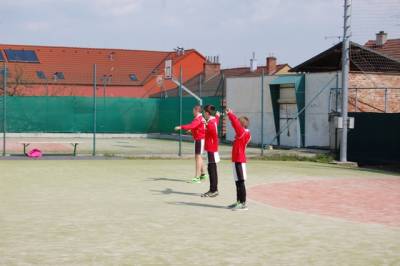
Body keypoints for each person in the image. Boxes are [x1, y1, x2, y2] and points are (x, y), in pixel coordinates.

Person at [226, 108, 251, 211]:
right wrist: (231, 117)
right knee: (237, 182)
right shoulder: (241, 132)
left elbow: (235, 124)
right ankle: (238, 201)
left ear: (241, 125)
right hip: (236, 160)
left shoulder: (242, 133)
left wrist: (230, 114)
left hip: (240, 160)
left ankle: (243, 203)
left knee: (241, 182)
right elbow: (235, 124)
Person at [175, 105, 207, 183]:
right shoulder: (200, 118)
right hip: (199, 139)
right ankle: (203, 174)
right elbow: (198, 127)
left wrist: (181, 127)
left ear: (197, 111)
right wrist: (191, 131)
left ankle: (197, 178)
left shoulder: (198, 118)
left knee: (198, 157)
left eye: (193, 110)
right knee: (198, 156)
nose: (192, 112)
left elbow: (192, 125)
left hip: (200, 140)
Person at [201, 104, 220, 197]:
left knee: (212, 169)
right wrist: (217, 115)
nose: (203, 113)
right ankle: (214, 189)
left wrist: (206, 125)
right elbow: (217, 118)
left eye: (204, 112)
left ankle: (213, 190)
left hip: (211, 149)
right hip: (212, 148)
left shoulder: (211, 123)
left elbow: (210, 130)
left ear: (207, 113)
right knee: (212, 169)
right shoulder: (213, 119)